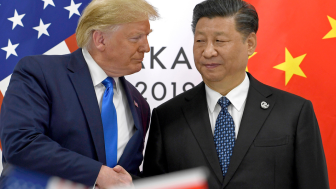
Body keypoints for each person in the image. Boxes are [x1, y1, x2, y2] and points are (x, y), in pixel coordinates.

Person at [143, 0, 329, 188]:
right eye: (200, 41)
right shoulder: (167, 117)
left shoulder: (293, 113)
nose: (207, 51)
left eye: (219, 41)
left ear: (249, 43)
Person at [0, 0, 158, 188]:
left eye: (146, 36)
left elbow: (126, 175)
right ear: (100, 39)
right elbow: (21, 144)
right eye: (136, 37)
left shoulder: (140, 104)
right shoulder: (39, 73)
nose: (146, 47)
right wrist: (97, 174)